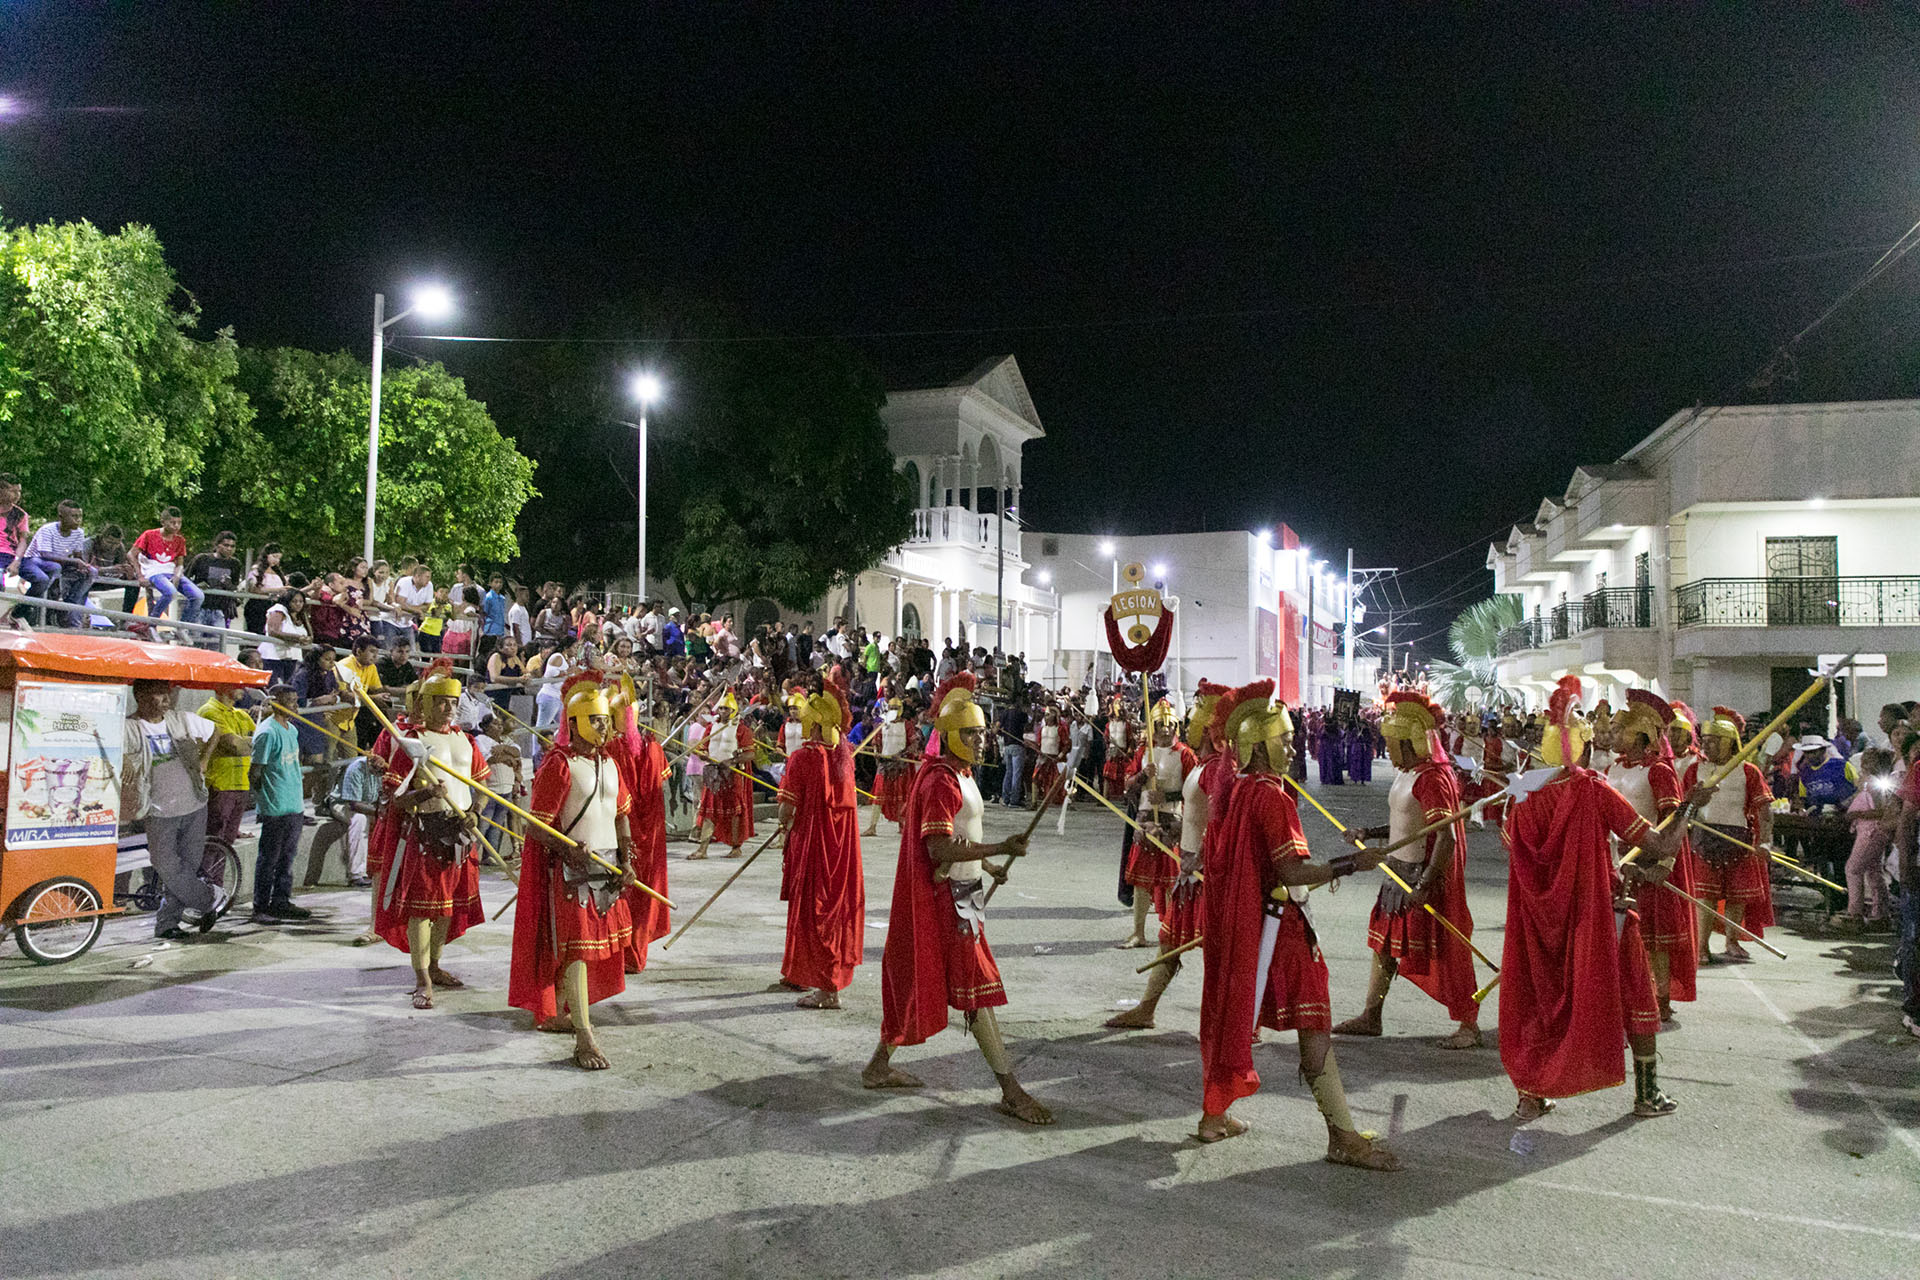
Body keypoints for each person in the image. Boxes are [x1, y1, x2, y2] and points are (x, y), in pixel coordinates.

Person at [1194, 682, 1396, 1167]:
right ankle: (1342, 1137)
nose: (1293, 747)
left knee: (1233, 1014)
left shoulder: (1237, 788)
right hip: (1278, 928)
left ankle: (1213, 1118)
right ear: (1258, 745)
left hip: (1252, 924)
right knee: (1315, 1023)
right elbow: (1292, 872)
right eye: (1284, 741)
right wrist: (1352, 864)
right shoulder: (1271, 798)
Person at [1500, 676, 1705, 1123]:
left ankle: (1530, 1094)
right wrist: (1688, 807)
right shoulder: (1592, 789)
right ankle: (1647, 1094)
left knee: (1542, 999)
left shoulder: (1522, 799)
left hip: (1540, 923)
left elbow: (1512, 848)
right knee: (1638, 994)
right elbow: (1660, 844)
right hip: (1597, 915)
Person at [863, 672, 1049, 1124]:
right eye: (970, 733)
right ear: (949, 735)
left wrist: (986, 866)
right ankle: (1010, 1090)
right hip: (949, 901)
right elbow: (939, 849)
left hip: (965, 891)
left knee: (920, 978)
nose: (980, 740)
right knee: (976, 989)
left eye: (982, 732)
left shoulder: (961, 774)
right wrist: (1000, 849)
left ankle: (877, 1066)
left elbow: (961, 836)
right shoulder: (940, 781)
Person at [1333, 690, 1482, 1047]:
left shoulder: (1433, 778)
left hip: (1423, 876)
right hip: (1397, 872)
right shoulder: (1408, 773)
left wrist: (1428, 883)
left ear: (1410, 740)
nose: (1388, 747)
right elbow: (1405, 821)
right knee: (1383, 945)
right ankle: (1372, 1015)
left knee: (1448, 949)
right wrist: (1368, 833)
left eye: (1392, 741)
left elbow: (1445, 837)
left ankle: (1468, 1024)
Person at [509, 673, 638, 1069]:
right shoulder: (558, 764)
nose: (603, 726)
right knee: (578, 951)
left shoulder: (612, 763)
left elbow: (621, 816)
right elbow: (537, 825)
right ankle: (584, 1036)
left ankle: (566, 1013)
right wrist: (568, 849)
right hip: (570, 876)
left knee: (588, 952)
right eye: (595, 719)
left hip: (606, 868)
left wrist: (628, 860)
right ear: (576, 720)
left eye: (605, 719)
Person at [1108, 680, 1237, 1031]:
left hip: (1203, 872)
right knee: (1169, 939)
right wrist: (1164, 830)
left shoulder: (1212, 769)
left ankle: (1239, 1022)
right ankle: (1147, 1009)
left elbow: (1224, 823)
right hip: (1188, 871)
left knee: (1220, 951)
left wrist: (1188, 845)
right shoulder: (1202, 766)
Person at [369, 660, 489, 1008]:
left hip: (461, 831)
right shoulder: (412, 743)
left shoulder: (467, 740)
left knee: (447, 908)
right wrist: (425, 794)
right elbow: (397, 797)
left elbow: (482, 783)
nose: (448, 708)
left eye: (452, 702)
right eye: (440, 701)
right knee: (422, 909)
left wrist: (476, 813)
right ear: (423, 702)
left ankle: (435, 965)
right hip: (426, 833)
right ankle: (421, 977)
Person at [1603, 689, 1697, 1024]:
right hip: (1619, 860)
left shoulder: (1659, 771)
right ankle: (1625, 995)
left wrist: (1664, 864)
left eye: (1617, 729)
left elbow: (1672, 822)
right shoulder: (1614, 768)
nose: (1610, 735)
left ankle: (1660, 998)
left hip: (1651, 861)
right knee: (1624, 933)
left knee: (1655, 937)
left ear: (1639, 733)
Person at [775, 669, 866, 1009]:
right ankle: (805, 975)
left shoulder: (802, 758)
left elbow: (786, 812)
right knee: (834, 910)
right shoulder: (844, 758)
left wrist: (785, 824)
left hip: (812, 845)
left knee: (811, 910)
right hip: (841, 853)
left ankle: (826, 989)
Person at [122, 679, 231, 938]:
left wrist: (204, 758)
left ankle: (167, 925)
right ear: (141, 696)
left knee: (186, 867)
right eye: (159, 694)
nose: (166, 699)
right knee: (165, 864)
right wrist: (124, 758)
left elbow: (215, 730)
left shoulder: (180, 719)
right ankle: (209, 898)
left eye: (166, 694)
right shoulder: (128, 727)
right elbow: (111, 750)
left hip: (194, 804)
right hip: (158, 811)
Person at [1685, 708, 1776, 964]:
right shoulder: (1695, 771)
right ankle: (1701, 946)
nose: (1708, 746)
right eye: (1705, 741)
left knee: (1738, 895)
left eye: (1715, 741)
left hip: (1739, 838)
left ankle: (1732, 940)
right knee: (1705, 895)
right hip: (1704, 837)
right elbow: (1684, 804)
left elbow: (1763, 809)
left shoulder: (1748, 771)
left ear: (1729, 743)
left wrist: (1765, 841)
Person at [1121, 699, 1195, 948]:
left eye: (1169, 724)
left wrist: (1167, 796)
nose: (1165, 729)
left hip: (1171, 822)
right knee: (1142, 882)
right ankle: (1138, 933)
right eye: (1160, 724)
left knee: (1170, 880)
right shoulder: (1144, 753)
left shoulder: (1185, 755)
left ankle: (1171, 931)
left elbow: (1194, 791)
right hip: (1144, 821)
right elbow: (1127, 785)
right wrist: (1143, 776)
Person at [248, 686, 310, 921]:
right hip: (275, 805)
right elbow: (255, 772)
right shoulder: (267, 732)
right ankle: (260, 906)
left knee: (287, 857)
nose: (295, 706)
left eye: (296, 701)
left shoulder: (291, 730)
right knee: (269, 858)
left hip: (294, 803)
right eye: (290, 702)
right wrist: (264, 801)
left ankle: (281, 901)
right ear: (275, 703)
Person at [197, 682, 257, 861]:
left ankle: (218, 887)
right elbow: (234, 746)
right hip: (220, 785)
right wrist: (249, 742)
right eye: (236, 685)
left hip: (241, 785)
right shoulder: (210, 711)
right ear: (221, 687)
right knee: (214, 842)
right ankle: (206, 885)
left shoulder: (239, 714)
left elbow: (260, 742)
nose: (243, 689)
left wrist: (245, 742)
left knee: (227, 845)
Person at [1839, 748, 1896, 931]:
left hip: (1871, 831)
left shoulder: (1875, 784)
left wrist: (1857, 813)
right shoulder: (1874, 783)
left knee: (1853, 869)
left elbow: (1882, 811)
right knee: (1873, 870)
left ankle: (1855, 913)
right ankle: (1880, 913)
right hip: (1873, 831)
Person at [691, 700, 755, 860]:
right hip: (713, 773)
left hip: (732, 776)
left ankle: (736, 847)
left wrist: (732, 762)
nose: (723, 711)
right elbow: (701, 748)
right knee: (708, 811)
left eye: (726, 708)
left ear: (733, 710)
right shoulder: (710, 728)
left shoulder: (741, 729)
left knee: (734, 811)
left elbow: (750, 754)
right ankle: (702, 849)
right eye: (721, 708)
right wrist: (702, 754)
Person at [17, 498, 95, 628]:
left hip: (61, 563)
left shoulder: (79, 533)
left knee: (92, 572)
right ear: (61, 517)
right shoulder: (47, 530)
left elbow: (78, 555)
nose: (78, 520)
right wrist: (74, 561)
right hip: (36, 561)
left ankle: (70, 605)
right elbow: (45, 554)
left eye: (80, 516)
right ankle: (38, 606)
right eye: (74, 516)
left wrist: (83, 565)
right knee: (54, 567)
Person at [325, 748, 383, 888]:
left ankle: (378, 867)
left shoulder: (384, 770)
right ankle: (356, 875)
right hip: (342, 804)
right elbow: (354, 804)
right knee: (360, 819)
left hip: (367, 803)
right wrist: (378, 812)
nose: (380, 770)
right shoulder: (356, 768)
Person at [185, 531, 244, 642]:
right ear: (217, 545)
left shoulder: (235, 564)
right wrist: (196, 586)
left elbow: (234, 588)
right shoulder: (202, 559)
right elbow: (184, 579)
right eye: (226, 545)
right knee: (195, 643)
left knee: (217, 646)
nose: (229, 549)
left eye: (232, 546)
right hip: (199, 609)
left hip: (219, 611)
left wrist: (228, 584)